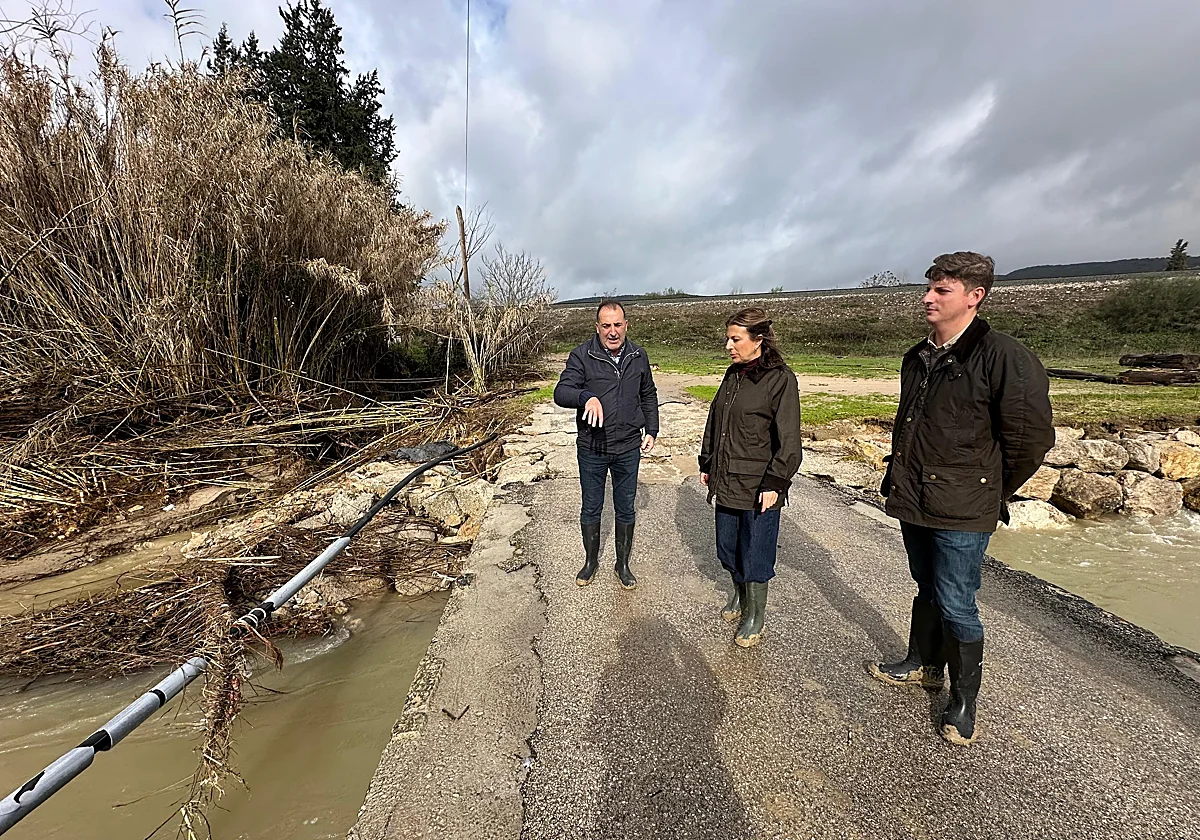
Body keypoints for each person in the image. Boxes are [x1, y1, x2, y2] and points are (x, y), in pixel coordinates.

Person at [871, 251, 1054, 746]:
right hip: (915, 496)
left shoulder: (1005, 357)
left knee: (957, 600)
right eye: (928, 288)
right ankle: (923, 664)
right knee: (926, 584)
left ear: (976, 296)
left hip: (964, 508)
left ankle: (963, 700)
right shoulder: (919, 355)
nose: (928, 297)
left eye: (942, 290)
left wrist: (986, 488)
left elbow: (1029, 440)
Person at [698, 307, 802, 648]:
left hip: (760, 486)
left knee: (755, 554)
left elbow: (789, 439)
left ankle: (755, 615)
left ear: (758, 339)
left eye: (735, 339)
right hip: (726, 478)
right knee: (727, 549)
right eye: (728, 338)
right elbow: (716, 421)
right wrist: (707, 462)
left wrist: (776, 483)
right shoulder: (733, 375)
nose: (728, 345)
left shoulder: (780, 378)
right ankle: (740, 597)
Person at [554, 300, 659, 589]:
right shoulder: (581, 356)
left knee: (626, 508)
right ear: (597, 327)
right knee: (591, 507)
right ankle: (590, 562)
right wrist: (585, 396)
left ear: (626, 325)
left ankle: (622, 564)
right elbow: (561, 392)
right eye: (606, 325)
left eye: (617, 324)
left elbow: (648, 394)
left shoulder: (638, 355)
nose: (612, 331)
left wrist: (652, 428)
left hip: (627, 447)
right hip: (593, 448)